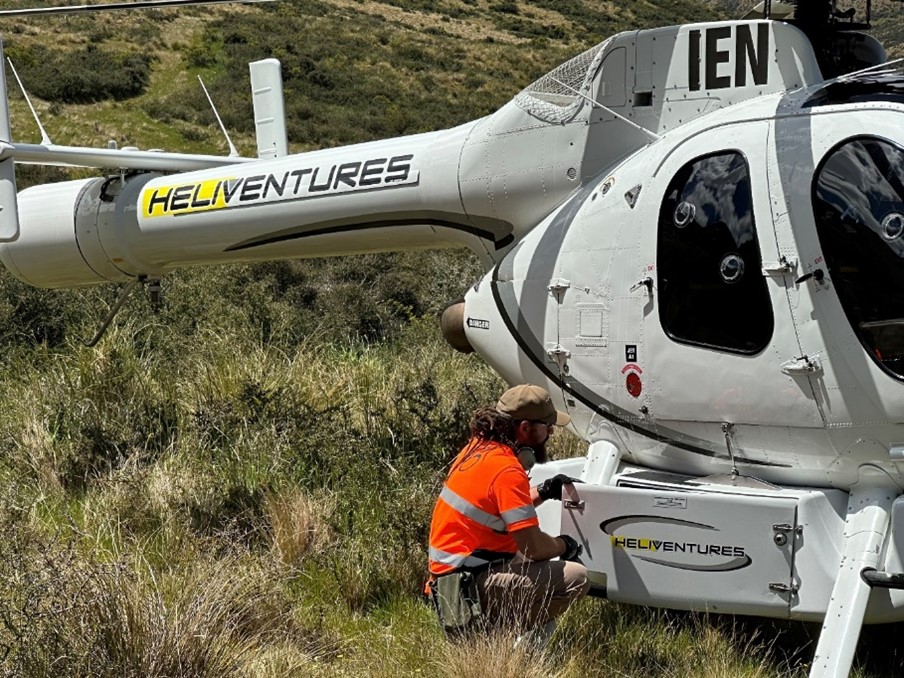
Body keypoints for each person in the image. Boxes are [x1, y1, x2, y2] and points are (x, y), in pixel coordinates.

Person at [426, 383, 590, 640]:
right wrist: (564, 545)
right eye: (547, 428)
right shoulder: (506, 470)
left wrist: (545, 490)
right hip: (465, 586)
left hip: (451, 581)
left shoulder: (478, 448)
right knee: (575, 578)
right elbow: (532, 547)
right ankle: (491, 637)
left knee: (528, 560)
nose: (550, 434)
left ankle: (485, 630)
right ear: (525, 428)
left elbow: (498, 510)